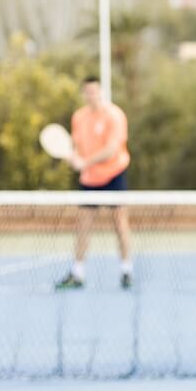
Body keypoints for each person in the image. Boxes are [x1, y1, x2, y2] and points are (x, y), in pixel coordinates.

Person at [55, 76, 133, 290]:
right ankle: (77, 273)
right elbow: (77, 147)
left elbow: (112, 149)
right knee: (83, 225)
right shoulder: (79, 117)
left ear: (101, 92)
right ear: (84, 94)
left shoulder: (115, 115)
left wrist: (85, 162)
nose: (91, 95)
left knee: (120, 223)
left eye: (94, 91)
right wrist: (74, 158)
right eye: (87, 92)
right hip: (90, 179)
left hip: (114, 174)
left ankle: (126, 271)